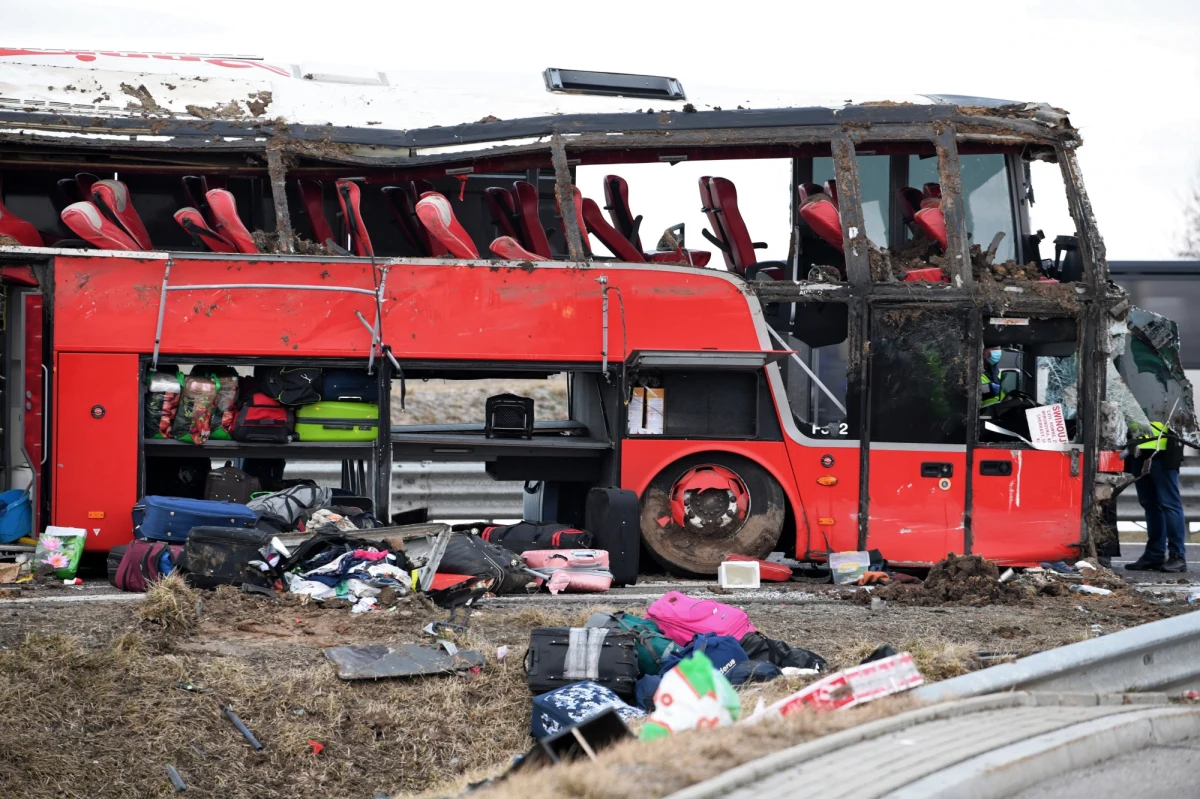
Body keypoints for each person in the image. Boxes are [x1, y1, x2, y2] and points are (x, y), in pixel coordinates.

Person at [1125, 422, 1187, 573]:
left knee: (1169, 504)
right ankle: (1154, 554)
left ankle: (1178, 556)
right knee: (1150, 504)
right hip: (1138, 448)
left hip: (1163, 449)